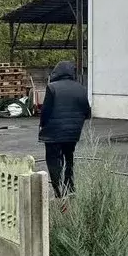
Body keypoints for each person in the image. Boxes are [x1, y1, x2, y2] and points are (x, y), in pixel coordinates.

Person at [38, 61, 91, 198]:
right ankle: (70, 188)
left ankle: (59, 191)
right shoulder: (81, 88)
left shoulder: (52, 88)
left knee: (54, 161)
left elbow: (45, 112)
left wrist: (42, 125)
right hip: (73, 134)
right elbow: (87, 112)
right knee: (69, 159)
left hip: (53, 134)